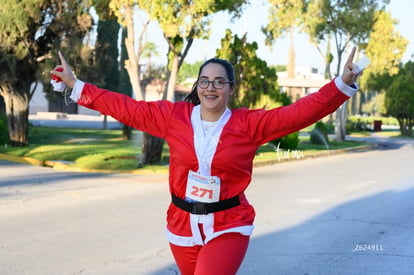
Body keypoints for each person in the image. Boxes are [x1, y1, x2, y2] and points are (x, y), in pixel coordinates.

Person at [51, 47, 361, 275]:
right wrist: (76, 85)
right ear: (198, 86)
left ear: (230, 88)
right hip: (182, 224)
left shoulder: (248, 124)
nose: (210, 87)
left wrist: (340, 85)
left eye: (218, 82)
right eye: (204, 81)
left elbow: (297, 113)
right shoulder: (174, 117)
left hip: (228, 225)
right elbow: (127, 108)